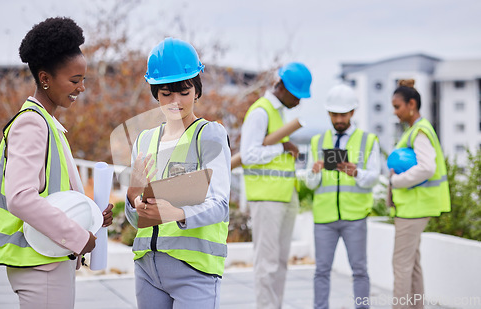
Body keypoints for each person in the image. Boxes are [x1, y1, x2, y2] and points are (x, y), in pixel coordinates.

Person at [0, 17, 113, 309]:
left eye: (83, 79)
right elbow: (20, 199)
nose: (81, 88)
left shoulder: (46, 122)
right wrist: (78, 236)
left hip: (47, 259)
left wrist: (91, 217)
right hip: (41, 266)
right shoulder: (32, 124)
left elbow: (51, 195)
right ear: (45, 79)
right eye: (74, 80)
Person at [124, 37, 231, 309]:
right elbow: (136, 218)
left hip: (194, 271)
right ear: (156, 94)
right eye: (166, 93)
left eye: (184, 91)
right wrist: (133, 198)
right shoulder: (143, 140)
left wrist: (177, 214)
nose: (176, 101)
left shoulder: (210, 136)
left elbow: (220, 205)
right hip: (147, 269)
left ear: (197, 89)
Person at [240, 62, 312, 309]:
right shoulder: (260, 112)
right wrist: (281, 147)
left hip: (284, 195)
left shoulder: (279, 112)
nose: (300, 102)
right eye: (298, 95)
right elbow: (248, 155)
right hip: (267, 198)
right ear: (282, 88)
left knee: (280, 262)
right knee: (267, 263)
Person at [303, 84, 380, 309]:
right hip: (324, 218)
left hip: (354, 216)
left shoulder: (368, 140)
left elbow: (374, 177)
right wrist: (314, 171)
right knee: (321, 271)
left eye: (343, 114)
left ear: (352, 113)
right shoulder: (317, 141)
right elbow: (310, 182)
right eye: (334, 114)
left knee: (359, 270)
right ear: (328, 113)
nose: (338, 119)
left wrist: (356, 172)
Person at [389, 79, 450, 309]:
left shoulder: (420, 131)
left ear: (411, 104)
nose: (395, 112)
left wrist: (397, 181)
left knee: (401, 265)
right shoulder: (417, 129)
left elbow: (427, 168)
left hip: (414, 208)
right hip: (415, 207)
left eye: (397, 107)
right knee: (412, 265)